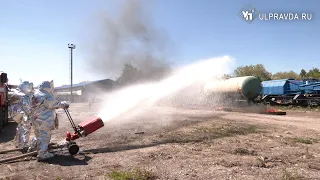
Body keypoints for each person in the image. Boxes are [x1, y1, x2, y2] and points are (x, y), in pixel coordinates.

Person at [30, 80, 69, 161]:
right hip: (44, 120)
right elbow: (54, 104)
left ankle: (33, 148)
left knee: (38, 135)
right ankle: (42, 154)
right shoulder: (46, 95)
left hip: (35, 119)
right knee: (45, 136)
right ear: (49, 87)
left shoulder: (36, 94)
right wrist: (64, 104)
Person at [7, 81, 34, 151]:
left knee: (19, 128)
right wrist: (31, 115)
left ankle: (17, 143)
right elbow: (27, 108)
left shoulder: (16, 93)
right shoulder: (25, 96)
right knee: (25, 130)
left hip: (15, 114)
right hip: (23, 115)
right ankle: (23, 146)